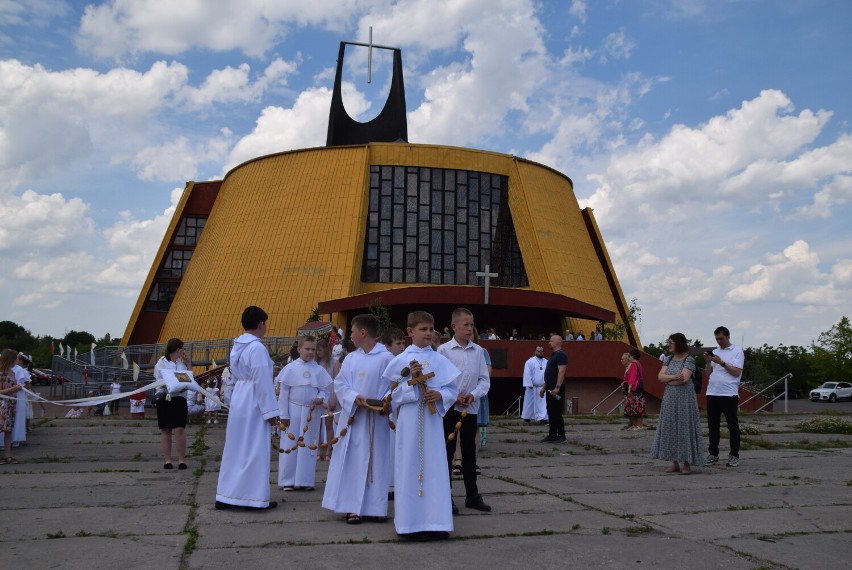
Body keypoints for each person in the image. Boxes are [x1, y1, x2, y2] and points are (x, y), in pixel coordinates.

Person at [383, 311, 460, 541]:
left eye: (431, 329)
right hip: (409, 422)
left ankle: (436, 523)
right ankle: (410, 525)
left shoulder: (439, 359)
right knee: (409, 468)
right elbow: (391, 397)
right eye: (423, 329)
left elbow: (452, 390)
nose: (429, 333)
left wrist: (440, 395)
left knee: (435, 469)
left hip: (433, 422)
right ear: (410, 331)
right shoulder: (399, 361)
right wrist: (410, 386)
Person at [322, 314, 394, 524]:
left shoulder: (386, 358)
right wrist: (355, 398)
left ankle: (376, 507)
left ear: (363, 333)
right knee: (353, 463)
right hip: (354, 418)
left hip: (375, 420)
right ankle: (352, 507)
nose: (350, 335)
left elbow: (394, 387)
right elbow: (341, 384)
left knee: (375, 462)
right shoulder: (351, 358)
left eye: (352, 331)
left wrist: (382, 403)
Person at [215, 306, 280, 511]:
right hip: (254, 400)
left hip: (240, 398)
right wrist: (271, 412)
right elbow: (262, 381)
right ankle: (253, 498)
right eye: (265, 324)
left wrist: (231, 399)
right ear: (261, 324)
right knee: (255, 448)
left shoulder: (237, 345)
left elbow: (233, 376)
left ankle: (227, 495)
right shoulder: (257, 348)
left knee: (236, 448)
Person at [438, 308, 491, 514]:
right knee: (448, 451)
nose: (470, 329)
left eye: (472, 325)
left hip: (470, 407)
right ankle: (445, 496)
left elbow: (484, 380)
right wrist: (454, 396)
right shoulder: (444, 351)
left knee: (470, 451)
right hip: (450, 408)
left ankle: (472, 495)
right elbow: (440, 381)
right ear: (454, 326)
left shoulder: (478, 351)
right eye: (466, 325)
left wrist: (474, 394)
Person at [277, 335, 332, 491]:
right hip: (293, 411)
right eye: (307, 349)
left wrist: (320, 398)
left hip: (311, 412)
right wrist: (284, 415)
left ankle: (305, 481)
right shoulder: (290, 368)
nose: (310, 352)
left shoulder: (318, 370)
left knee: (309, 446)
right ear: (299, 349)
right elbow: (284, 394)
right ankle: (287, 480)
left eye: (313, 349)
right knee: (290, 443)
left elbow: (324, 390)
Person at [650, 333, 704, 475]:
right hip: (670, 398)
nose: (669, 345)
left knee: (685, 427)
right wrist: (673, 377)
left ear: (679, 343)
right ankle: (674, 462)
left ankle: (687, 462)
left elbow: (685, 379)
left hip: (685, 399)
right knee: (670, 427)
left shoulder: (689, 359)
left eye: (671, 343)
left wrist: (668, 380)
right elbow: (660, 377)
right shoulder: (668, 359)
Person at [704, 326, 744, 467]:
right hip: (712, 392)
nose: (719, 341)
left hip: (729, 394)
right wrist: (709, 361)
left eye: (721, 338)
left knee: (732, 425)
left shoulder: (737, 351)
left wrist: (721, 362)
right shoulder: (715, 352)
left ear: (727, 337)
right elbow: (707, 374)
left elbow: (736, 372)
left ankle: (734, 455)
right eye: (716, 339)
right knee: (713, 426)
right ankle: (713, 454)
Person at [153, 338, 193, 469]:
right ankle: (168, 460)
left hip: (180, 398)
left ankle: (181, 460)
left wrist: (188, 364)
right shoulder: (161, 363)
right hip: (166, 398)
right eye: (182, 348)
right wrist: (175, 384)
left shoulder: (181, 363)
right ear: (178, 349)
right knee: (166, 429)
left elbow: (189, 378)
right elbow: (160, 380)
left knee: (179, 429)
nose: (183, 351)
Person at [380, 327, 406, 501]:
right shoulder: (387, 360)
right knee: (388, 447)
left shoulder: (402, 361)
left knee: (397, 447)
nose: (402, 346)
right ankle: (388, 484)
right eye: (398, 343)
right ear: (388, 346)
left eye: (404, 343)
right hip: (386, 408)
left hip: (398, 409)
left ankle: (396, 484)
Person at [315, 338, 341, 461]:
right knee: (317, 424)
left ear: (325, 350)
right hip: (318, 395)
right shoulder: (315, 363)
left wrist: (334, 398)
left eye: (319, 350)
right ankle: (318, 450)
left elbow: (337, 381)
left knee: (329, 424)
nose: (317, 352)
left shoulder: (334, 363)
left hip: (330, 394)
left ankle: (329, 451)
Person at [540, 334, 567, 443]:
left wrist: (557, 387)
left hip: (556, 388)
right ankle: (552, 435)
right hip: (550, 387)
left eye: (551, 341)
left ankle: (561, 435)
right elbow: (550, 373)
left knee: (556, 411)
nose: (549, 343)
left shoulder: (561, 355)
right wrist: (544, 387)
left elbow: (562, 371)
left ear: (556, 342)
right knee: (550, 411)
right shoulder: (553, 355)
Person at [1, 349, 23, 464]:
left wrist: (17, 388)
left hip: (10, 405)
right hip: (1, 405)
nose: (17, 360)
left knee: (8, 430)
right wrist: (13, 389)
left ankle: (7, 456)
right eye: (15, 358)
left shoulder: (12, 372)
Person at [522, 346, 548, 424]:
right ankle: (527, 417)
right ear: (535, 351)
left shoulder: (546, 362)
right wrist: (528, 384)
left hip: (542, 387)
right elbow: (527, 373)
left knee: (542, 404)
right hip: (532, 387)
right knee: (529, 403)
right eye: (539, 351)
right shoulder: (530, 361)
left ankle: (543, 418)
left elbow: (548, 373)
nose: (540, 352)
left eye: (542, 351)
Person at [622, 348, 646, 431]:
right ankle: (636, 425)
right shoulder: (638, 364)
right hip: (639, 387)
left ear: (633, 356)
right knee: (636, 406)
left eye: (629, 356)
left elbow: (632, 377)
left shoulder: (633, 364)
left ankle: (638, 425)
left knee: (636, 406)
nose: (628, 358)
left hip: (635, 388)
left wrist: (629, 389)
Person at [11, 352, 30, 447]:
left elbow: (24, 384)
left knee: (17, 416)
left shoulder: (20, 370)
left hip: (18, 396)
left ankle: (16, 438)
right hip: (8, 396)